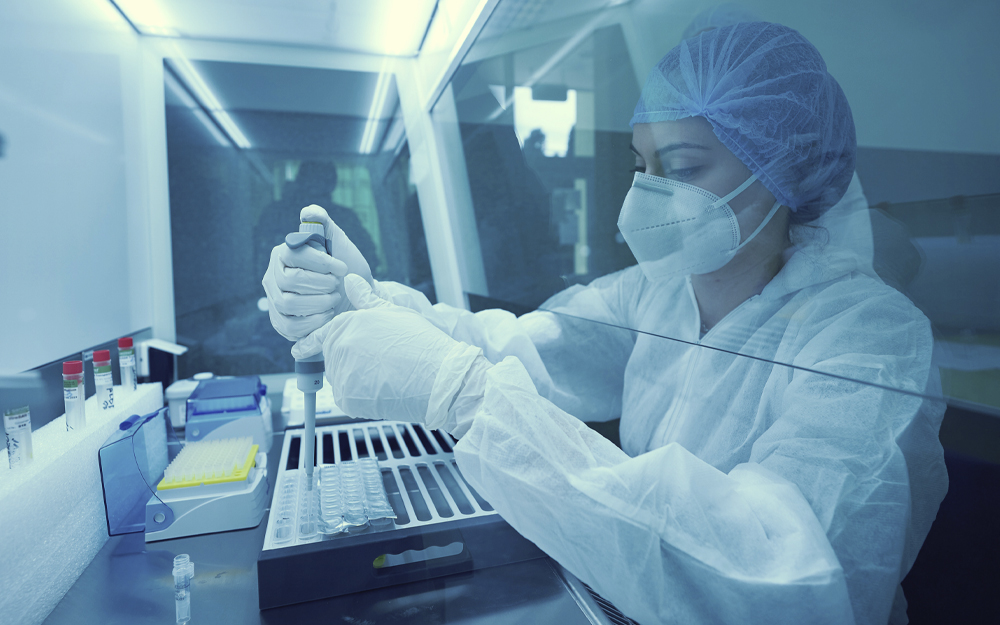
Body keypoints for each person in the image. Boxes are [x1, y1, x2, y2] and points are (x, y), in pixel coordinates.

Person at [262, 23, 946, 625]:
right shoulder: (659, 296)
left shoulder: (872, 339)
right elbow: (526, 347)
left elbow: (779, 577)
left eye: (679, 167)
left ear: (779, 166)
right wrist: (370, 299)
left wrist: (464, 394)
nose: (646, 192)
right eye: (641, 164)